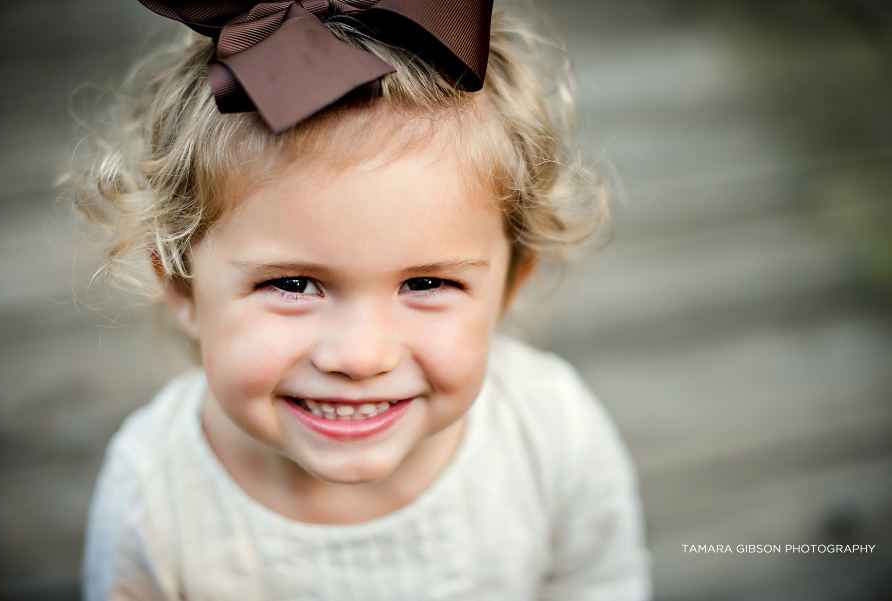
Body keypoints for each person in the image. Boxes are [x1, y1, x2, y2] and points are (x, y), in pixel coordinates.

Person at [77, 1, 651, 599]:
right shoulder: (152, 494)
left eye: (427, 284)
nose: (361, 356)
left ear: (510, 286)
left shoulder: (552, 433)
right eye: (293, 284)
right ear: (183, 287)